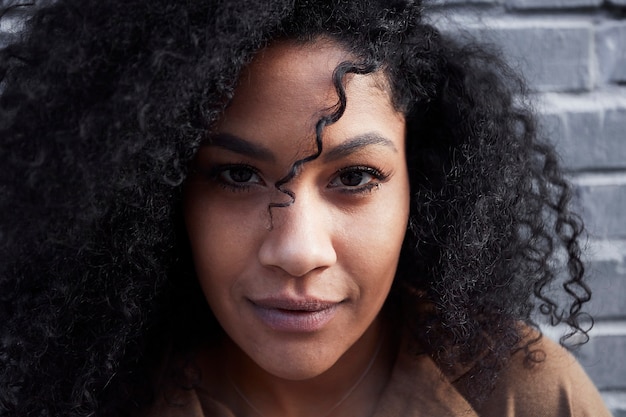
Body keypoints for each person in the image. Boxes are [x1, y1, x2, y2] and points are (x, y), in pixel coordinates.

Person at [0, 0, 613, 416]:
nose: (298, 251)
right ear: (159, 196)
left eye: (354, 177)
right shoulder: (82, 396)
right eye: (237, 175)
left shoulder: (518, 394)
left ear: (419, 190)